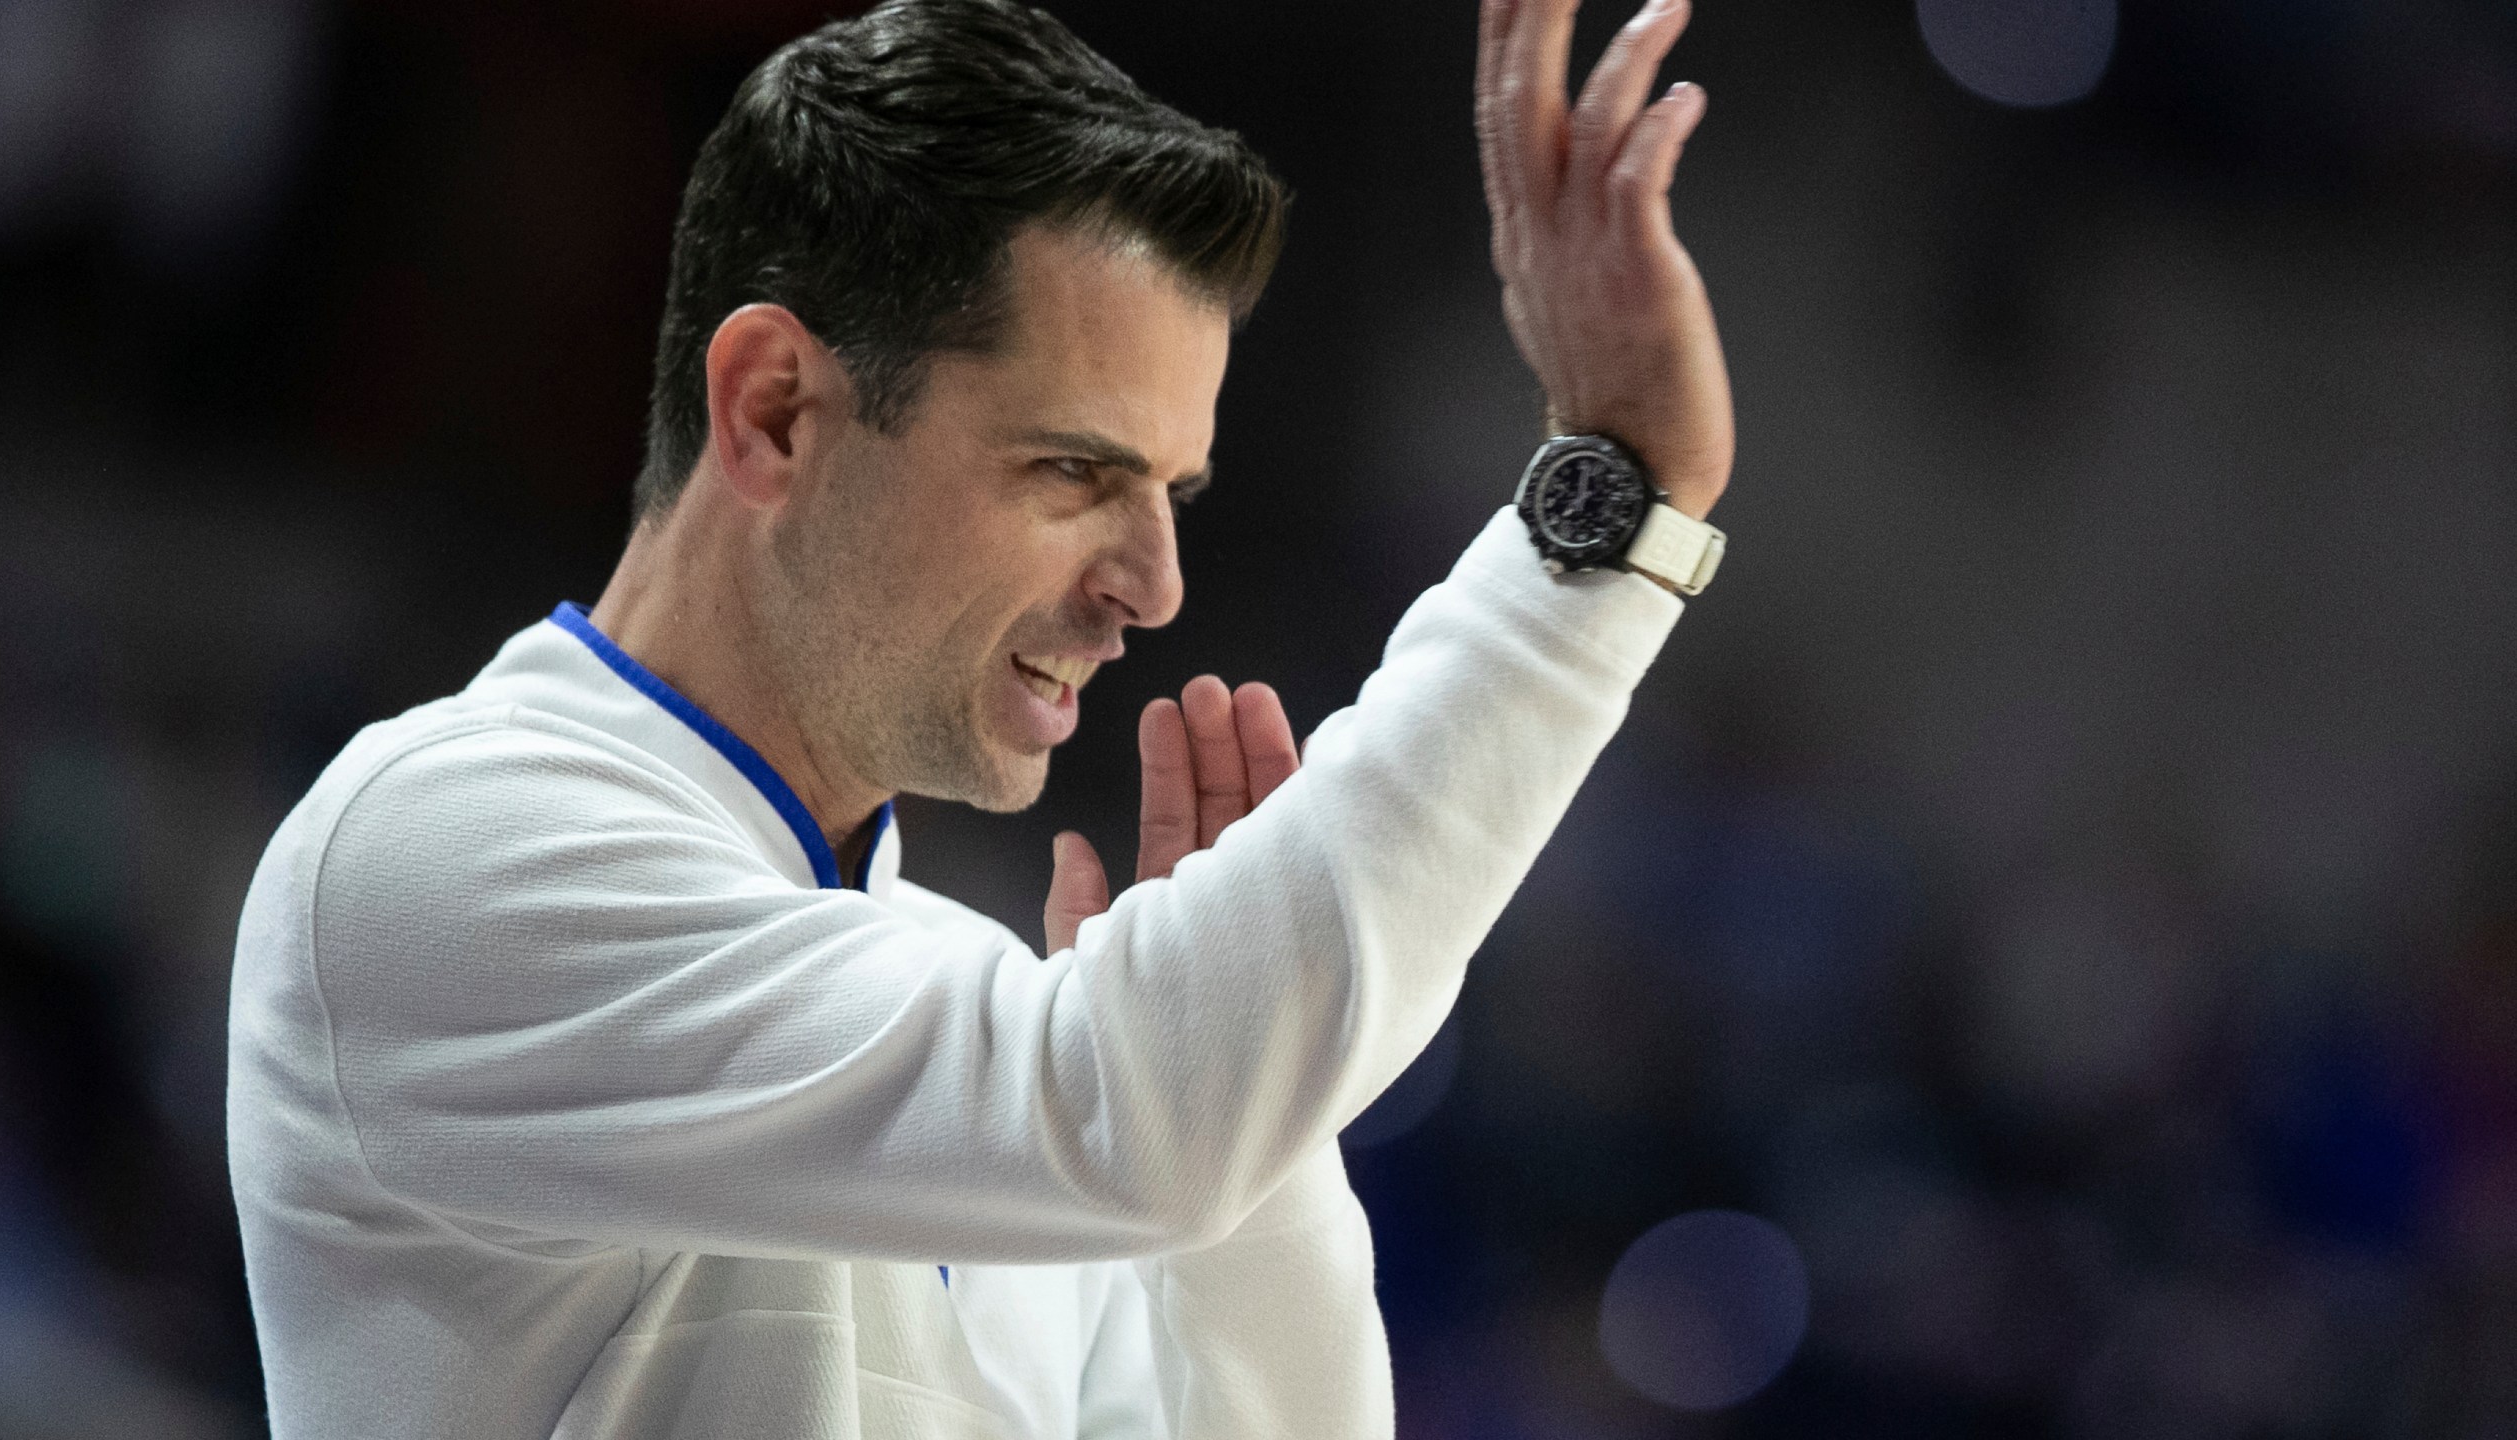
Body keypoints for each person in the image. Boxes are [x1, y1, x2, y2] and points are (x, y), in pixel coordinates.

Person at [226, 0, 1736, 1434]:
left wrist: (1239, 1116)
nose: (1151, 586)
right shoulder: (439, 845)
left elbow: (1154, 1173)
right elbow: (1114, 1114)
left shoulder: (978, 1003)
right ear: (772, 411)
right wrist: (1594, 539)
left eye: (1172, 494)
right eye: (1072, 473)